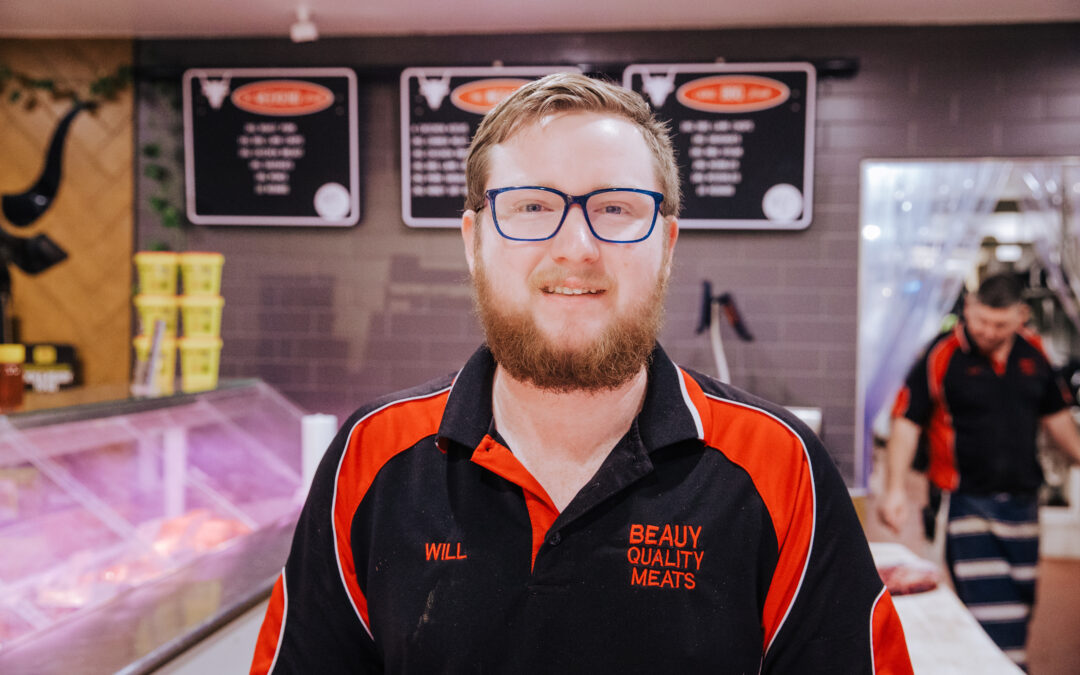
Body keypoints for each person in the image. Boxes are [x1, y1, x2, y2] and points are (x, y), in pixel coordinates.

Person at [251, 72, 912, 674]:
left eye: (616, 208)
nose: (576, 248)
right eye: (532, 207)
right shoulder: (370, 457)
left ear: (667, 244)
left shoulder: (781, 467)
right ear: (474, 242)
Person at [878, 272, 1080, 669]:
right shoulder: (941, 354)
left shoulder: (1033, 354)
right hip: (965, 501)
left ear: (1021, 315)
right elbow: (907, 422)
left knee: (1019, 604)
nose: (988, 331)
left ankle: (1010, 663)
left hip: (1023, 502)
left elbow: (1057, 420)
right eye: (981, 320)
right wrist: (895, 489)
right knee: (988, 610)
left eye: (1000, 324)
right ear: (968, 308)